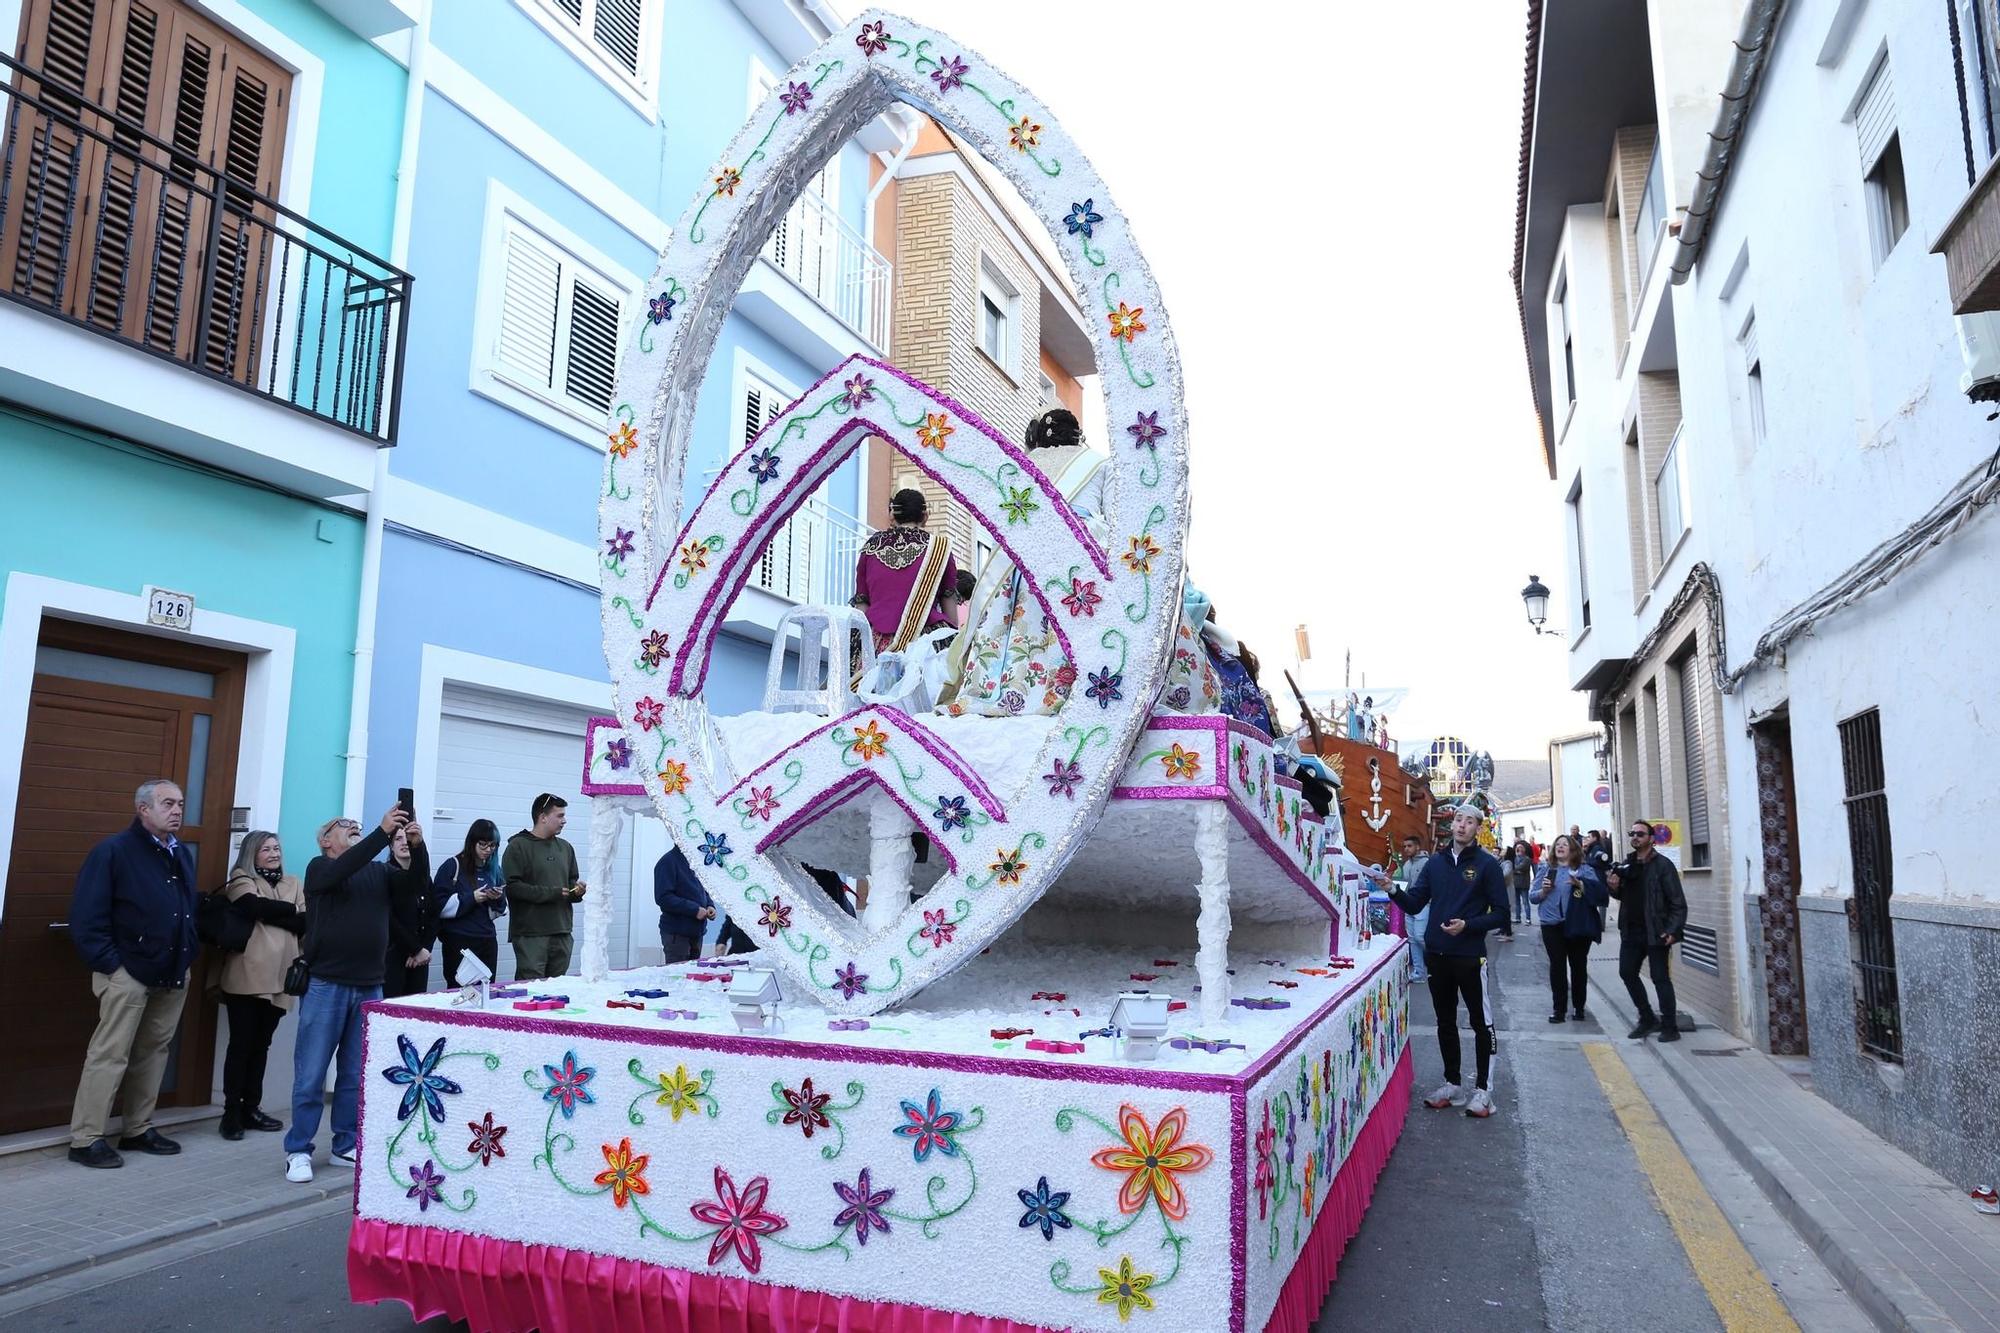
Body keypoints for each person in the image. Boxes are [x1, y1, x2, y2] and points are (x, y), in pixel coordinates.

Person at [285, 805, 427, 1183]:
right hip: (326, 985)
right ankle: (298, 1148)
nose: (352, 828)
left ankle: (344, 1144)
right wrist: (380, 835)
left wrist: (418, 845)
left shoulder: (379, 873)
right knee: (312, 1072)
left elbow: (414, 886)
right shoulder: (320, 869)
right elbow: (344, 868)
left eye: (356, 826)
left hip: (369, 985)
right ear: (326, 841)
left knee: (353, 1074)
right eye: (343, 826)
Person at [65, 780, 200, 1169]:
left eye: (180, 803)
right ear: (143, 808)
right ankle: (86, 1138)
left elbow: (183, 907)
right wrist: (113, 966)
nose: (177, 810)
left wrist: (188, 950)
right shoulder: (113, 851)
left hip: (172, 970)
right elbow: (87, 918)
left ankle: (137, 1129)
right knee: (109, 1055)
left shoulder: (180, 853)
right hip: (128, 974)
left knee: (153, 1053)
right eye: (167, 803)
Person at [1372, 805, 1509, 1118]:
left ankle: (1484, 1091)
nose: (1462, 826)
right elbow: (1415, 902)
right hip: (1438, 955)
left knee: (1481, 1023)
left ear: (1477, 828)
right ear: (1452, 825)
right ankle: (1452, 1084)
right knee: (1445, 1022)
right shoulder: (1435, 863)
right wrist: (1392, 888)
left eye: (1470, 822)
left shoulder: (1487, 866)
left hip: (1470, 956)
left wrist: (1469, 925)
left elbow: (1501, 913)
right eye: (1459, 820)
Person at [214, 831, 305, 1140]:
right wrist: (289, 911)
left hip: (282, 978)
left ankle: (251, 1107)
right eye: (266, 848)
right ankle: (231, 1113)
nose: (274, 852)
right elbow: (252, 907)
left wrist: (276, 912)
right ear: (252, 853)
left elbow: (305, 923)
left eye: (277, 847)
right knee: (241, 1045)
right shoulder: (241, 877)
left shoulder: (293, 882)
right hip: (247, 977)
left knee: (261, 1045)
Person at [852, 488, 961, 656]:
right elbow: (949, 602)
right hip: (926, 642)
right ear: (925, 515)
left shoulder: (871, 548)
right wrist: (954, 639)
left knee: (867, 682)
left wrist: (855, 646)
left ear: (892, 515)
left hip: (876, 640)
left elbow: (861, 605)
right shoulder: (940, 548)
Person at [1611, 820, 1689, 1042]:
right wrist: (1614, 888)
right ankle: (1647, 1018)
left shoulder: (1663, 865)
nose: (1635, 837)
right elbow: (1622, 895)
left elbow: (1677, 902)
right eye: (1632, 833)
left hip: (1656, 931)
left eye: (1640, 834)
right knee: (1627, 972)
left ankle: (1670, 1027)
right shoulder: (1627, 864)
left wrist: (1673, 929)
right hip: (1631, 930)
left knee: (1660, 978)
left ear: (1651, 839)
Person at [503, 794, 586, 982]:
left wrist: (577, 892)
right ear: (543, 817)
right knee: (531, 989)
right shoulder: (518, 846)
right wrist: (552, 893)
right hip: (531, 934)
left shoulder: (566, 848)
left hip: (562, 931)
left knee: (556, 991)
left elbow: (571, 883)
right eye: (560, 816)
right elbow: (513, 888)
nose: (564, 821)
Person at [1530, 834, 1607, 1024]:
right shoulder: (1546, 869)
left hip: (1577, 925)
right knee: (1557, 967)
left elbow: (1600, 894)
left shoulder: (1584, 870)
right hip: (1551, 925)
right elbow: (1533, 897)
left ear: (1573, 849)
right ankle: (1559, 1010)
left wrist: (1580, 884)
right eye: (1558, 844)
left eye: (1565, 844)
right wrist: (1544, 891)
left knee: (1578, 967)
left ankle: (1579, 1008)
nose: (1560, 847)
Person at [431, 819, 508, 987]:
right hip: (459, 941)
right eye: (483, 845)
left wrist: (497, 898)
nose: (488, 850)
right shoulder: (452, 866)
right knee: (460, 990)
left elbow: (501, 910)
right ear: (471, 842)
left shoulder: (495, 870)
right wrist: (471, 898)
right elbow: (437, 906)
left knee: (487, 991)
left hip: (487, 939)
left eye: (493, 846)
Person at [381, 827, 435, 999]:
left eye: (408, 838)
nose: (404, 842)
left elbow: (433, 915)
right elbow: (388, 918)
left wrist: (424, 949)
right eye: (398, 839)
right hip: (394, 955)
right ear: (390, 846)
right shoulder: (385, 874)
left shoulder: (424, 877)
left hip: (421, 958)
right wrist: (415, 948)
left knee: (415, 1011)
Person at [654, 844, 715, 963]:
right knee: (678, 976)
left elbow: (704, 888)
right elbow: (663, 897)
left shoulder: (695, 860)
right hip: (677, 934)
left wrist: (709, 905)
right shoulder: (667, 862)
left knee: (693, 977)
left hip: (697, 932)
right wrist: (694, 910)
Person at [1396, 833, 1431, 984]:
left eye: (1409, 846)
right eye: (1404, 847)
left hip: (1423, 905)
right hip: (1409, 904)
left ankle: (1436, 966)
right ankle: (1418, 972)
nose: (1406, 849)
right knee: (1412, 939)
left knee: (1420, 937)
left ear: (1417, 847)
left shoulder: (1427, 863)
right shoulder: (1406, 865)